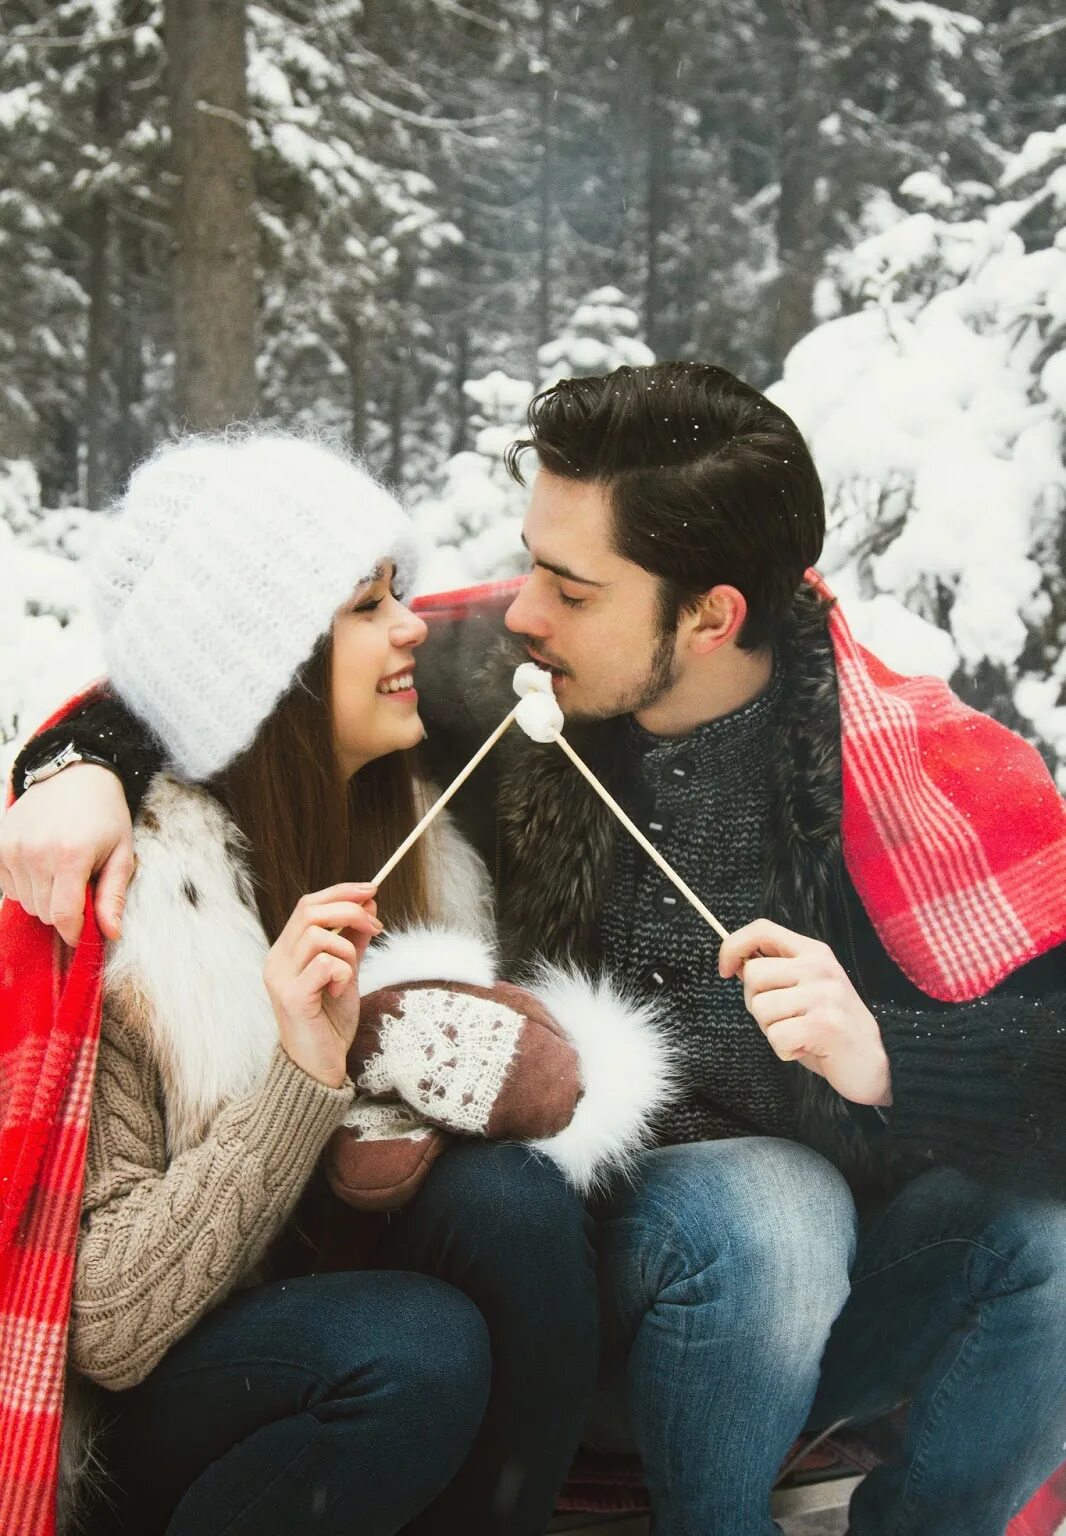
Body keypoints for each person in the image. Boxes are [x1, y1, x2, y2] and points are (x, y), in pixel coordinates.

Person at [4, 367, 1065, 1536]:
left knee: (1045, 1243)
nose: (515, 610)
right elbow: (226, 663)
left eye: (565, 584)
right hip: (601, 1263)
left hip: (842, 1299)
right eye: (529, 564)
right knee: (773, 1205)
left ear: (709, 615)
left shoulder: (906, 770)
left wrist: (887, 1056)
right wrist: (78, 761)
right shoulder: (515, 680)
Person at [0, 431, 669, 1536]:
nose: (414, 623)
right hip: (178, 1404)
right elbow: (110, 1323)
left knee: (510, 1200)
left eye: (396, 592)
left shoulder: (428, 845)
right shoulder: (134, 910)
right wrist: (301, 1075)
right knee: (412, 1348)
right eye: (366, 607)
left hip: (358, 1315)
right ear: (269, 666)